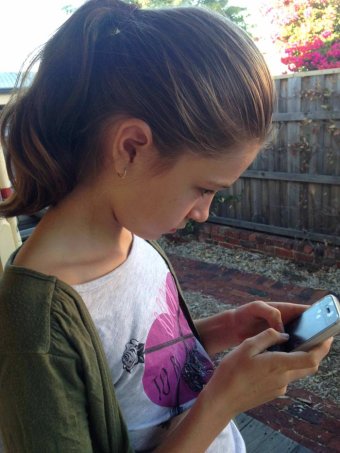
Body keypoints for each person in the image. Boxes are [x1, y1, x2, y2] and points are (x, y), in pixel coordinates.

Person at [0, 0, 332, 452]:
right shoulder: (35, 325)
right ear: (132, 147)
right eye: (203, 188)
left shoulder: (131, 239)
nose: (204, 212)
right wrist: (223, 401)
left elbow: (139, 361)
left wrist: (227, 329)